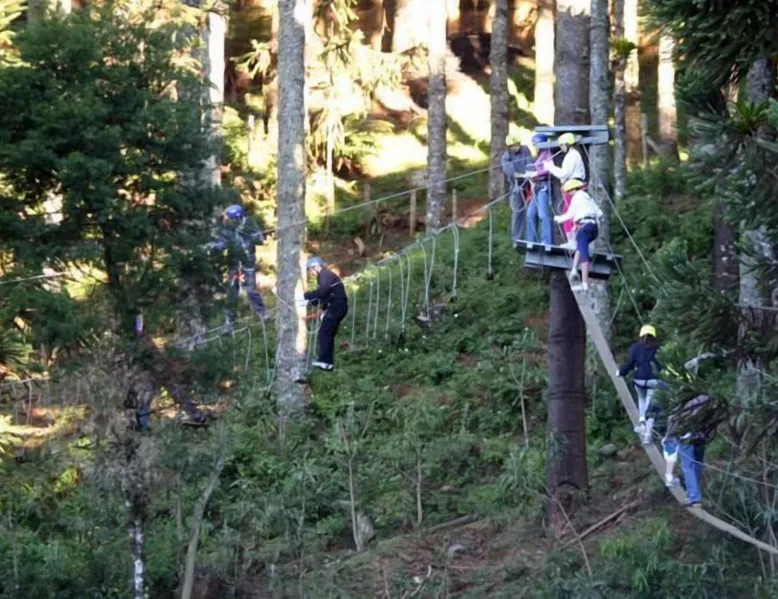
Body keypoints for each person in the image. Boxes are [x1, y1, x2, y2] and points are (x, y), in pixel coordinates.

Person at [205, 204, 267, 332]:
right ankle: (229, 323)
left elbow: (260, 239)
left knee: (250, 290)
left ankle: (263, 314)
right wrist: (212, 247)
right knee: (232, 294)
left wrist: (248, 235)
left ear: (236, 218)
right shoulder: (227, 229)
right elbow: (222, 243)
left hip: (247, 263)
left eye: (229, 218)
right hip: (234, 264)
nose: (226, 220)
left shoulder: (249, 223)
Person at [664, 393, 714, 508]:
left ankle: (694, 497)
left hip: (686, 438)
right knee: (698, 464)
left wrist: (669, 436)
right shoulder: (708, 399)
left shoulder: (684, 402)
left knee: (688, 466)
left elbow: (674, 419)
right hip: (702, 436)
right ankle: (694, 494)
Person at [616, 325, 664, 439]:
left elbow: (629, 363)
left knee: (641, 399)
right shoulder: (658, 348)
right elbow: (661, 365)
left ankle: (642, 420)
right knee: (650, 406)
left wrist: (621, 372)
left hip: (639, 380)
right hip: (654, 380)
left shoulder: (635, 348)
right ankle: (648, 431)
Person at [553, 179, 602, 291]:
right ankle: (574, 269)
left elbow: (570, 214)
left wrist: (558, 219)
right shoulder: (588, 197)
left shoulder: (577, 197)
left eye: (569, 192)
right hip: (593, 228)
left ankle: (585, 284)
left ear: (573, 190)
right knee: (580, 245)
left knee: (584, 252)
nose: (569, 194)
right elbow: (599, 213)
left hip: (584, 227)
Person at [302, 256, 349, 372]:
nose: (310, 273)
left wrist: (305, 297)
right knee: (328, 334)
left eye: (310, 270)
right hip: (338, 306)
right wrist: (312, 301)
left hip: (336, 307)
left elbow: (322, 292)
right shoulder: (326, 276)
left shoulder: (324, 275)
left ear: (316, 267)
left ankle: (325, 361)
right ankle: (328, 363)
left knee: (324, 333)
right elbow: (325, 295)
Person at [544, 132, 586, 246]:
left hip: (573, 187)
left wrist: (550, 167)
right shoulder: (573, 155)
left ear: (567, 144)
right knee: (569, 211)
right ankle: (571, 240)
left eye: (562, 145)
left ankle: (572, 241)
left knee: (569, 213)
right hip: (572, 185)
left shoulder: (572, 156)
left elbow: (563, 173)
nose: (561, 148)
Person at [501, 133, 534, 242]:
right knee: (517, 212)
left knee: (531, 211)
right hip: (516, 186)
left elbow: (530, 163)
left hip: (529, 184)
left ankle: (531, 238)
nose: (517, 147)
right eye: (514, 146)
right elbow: (510, 172)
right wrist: (521, 175)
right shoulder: (506, 157)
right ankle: (516, 239)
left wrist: (529, 174)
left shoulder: (525, 150)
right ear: (509, 147)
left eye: (518, 144)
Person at [526, 133, 554, 245]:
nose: (535, 146)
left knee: (543, 214)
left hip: (543, 186)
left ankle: (546, 241)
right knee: (530, 214)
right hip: (536, 186)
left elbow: (549, 168)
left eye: (536, 144)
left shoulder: (548, 153)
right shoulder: (540, 154)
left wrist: (536, 173)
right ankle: (531, 240)